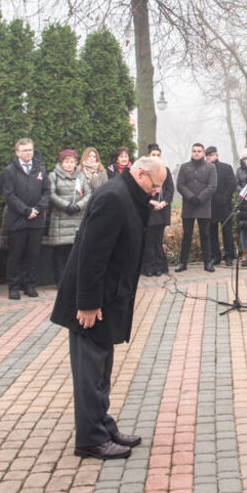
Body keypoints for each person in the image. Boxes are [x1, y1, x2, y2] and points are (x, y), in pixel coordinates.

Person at [51, 155, 166, 459]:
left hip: (107, 300)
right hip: (90, 304)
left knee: (101, 369)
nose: (155, 192)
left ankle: (103, 425)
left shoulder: (128, 194)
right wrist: (87, 304)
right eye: (154, 186)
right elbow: (91, 254)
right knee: (89, 373)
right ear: (140, 173)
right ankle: (90, 439)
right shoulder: (114, 197)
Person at [2, 138, 51, 299]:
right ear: (17, 152)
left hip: (36, 220)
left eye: (30, 149)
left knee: (33, 254)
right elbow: (9, 195)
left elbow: (46, 192)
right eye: (24, 150)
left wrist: (37, 209)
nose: (28, 153)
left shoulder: (41, 169)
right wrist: (25, 211)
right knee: (16, 255)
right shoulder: (10, 171)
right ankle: (14, 287)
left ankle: (30, 285)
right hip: (17, 220)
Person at [45, 149, 92, 287]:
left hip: (77, 219)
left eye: (72, 162)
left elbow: (88, 193)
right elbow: (52, 194)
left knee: (75, 253)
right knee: (60, 254)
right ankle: (60, 281)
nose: (69, 165)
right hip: (61, 220)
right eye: (67, 162)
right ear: (62, 163)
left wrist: (78, 206)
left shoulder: (80, 176)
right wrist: (66, 206)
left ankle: (73, 281)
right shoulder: (53, 176)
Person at [175, 143, 217, 272]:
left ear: (203, 153)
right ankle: (182, 263)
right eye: (194, 151)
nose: (196, 153)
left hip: (204, 206)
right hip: (188, 205)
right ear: (191, 152)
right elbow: (180, 185)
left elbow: (212, 186)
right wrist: (191, 197)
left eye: (199, 151)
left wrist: (200, 198)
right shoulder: (184, 167)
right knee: (187, 235)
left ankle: (207, 263)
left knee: (205, 235)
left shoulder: (211, 167)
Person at [142, 144, 175, 276]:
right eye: (153, 155)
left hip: (161, 210)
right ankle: (148, 267)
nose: (156, 157)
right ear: (148, 156)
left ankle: (159, 266)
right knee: (149, 240)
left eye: (158, 155)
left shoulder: (165, 170)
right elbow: (140, 190)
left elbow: (170, 189)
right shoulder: (143, 171)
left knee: (158, 240)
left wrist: (164, 202)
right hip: (149, 210)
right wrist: (151, 201)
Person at [205, 145, 236, 267]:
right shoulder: (205, 169)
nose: (209, 157)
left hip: (224, 206)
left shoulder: (226, 168)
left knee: (227, 231)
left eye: (211, 155)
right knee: (211, 232)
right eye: (207, 156)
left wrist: (224, 198)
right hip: (210, 206)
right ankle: (215, 256)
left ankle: (229, 256)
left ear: (217, 155)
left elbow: (232, 184)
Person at [234, 148, 247, 262]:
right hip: (243, 202)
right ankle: (245, 252)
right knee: (244, 229)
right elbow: (236, 184)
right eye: (244, 158)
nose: (246, 160)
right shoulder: (238, 171)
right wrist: (244, 192)